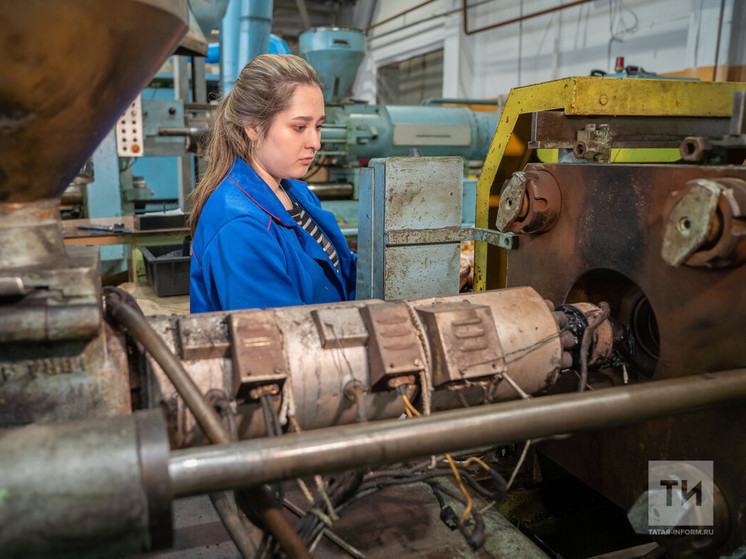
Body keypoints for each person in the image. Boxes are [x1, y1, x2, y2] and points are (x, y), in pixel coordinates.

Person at [188, 54, 356, 312]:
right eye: (300, 127)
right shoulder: (239, 226)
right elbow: (280, 335)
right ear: (253, 127)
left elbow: (338, 271)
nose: (315, 142)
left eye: (318, 126)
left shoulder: (297, 193)